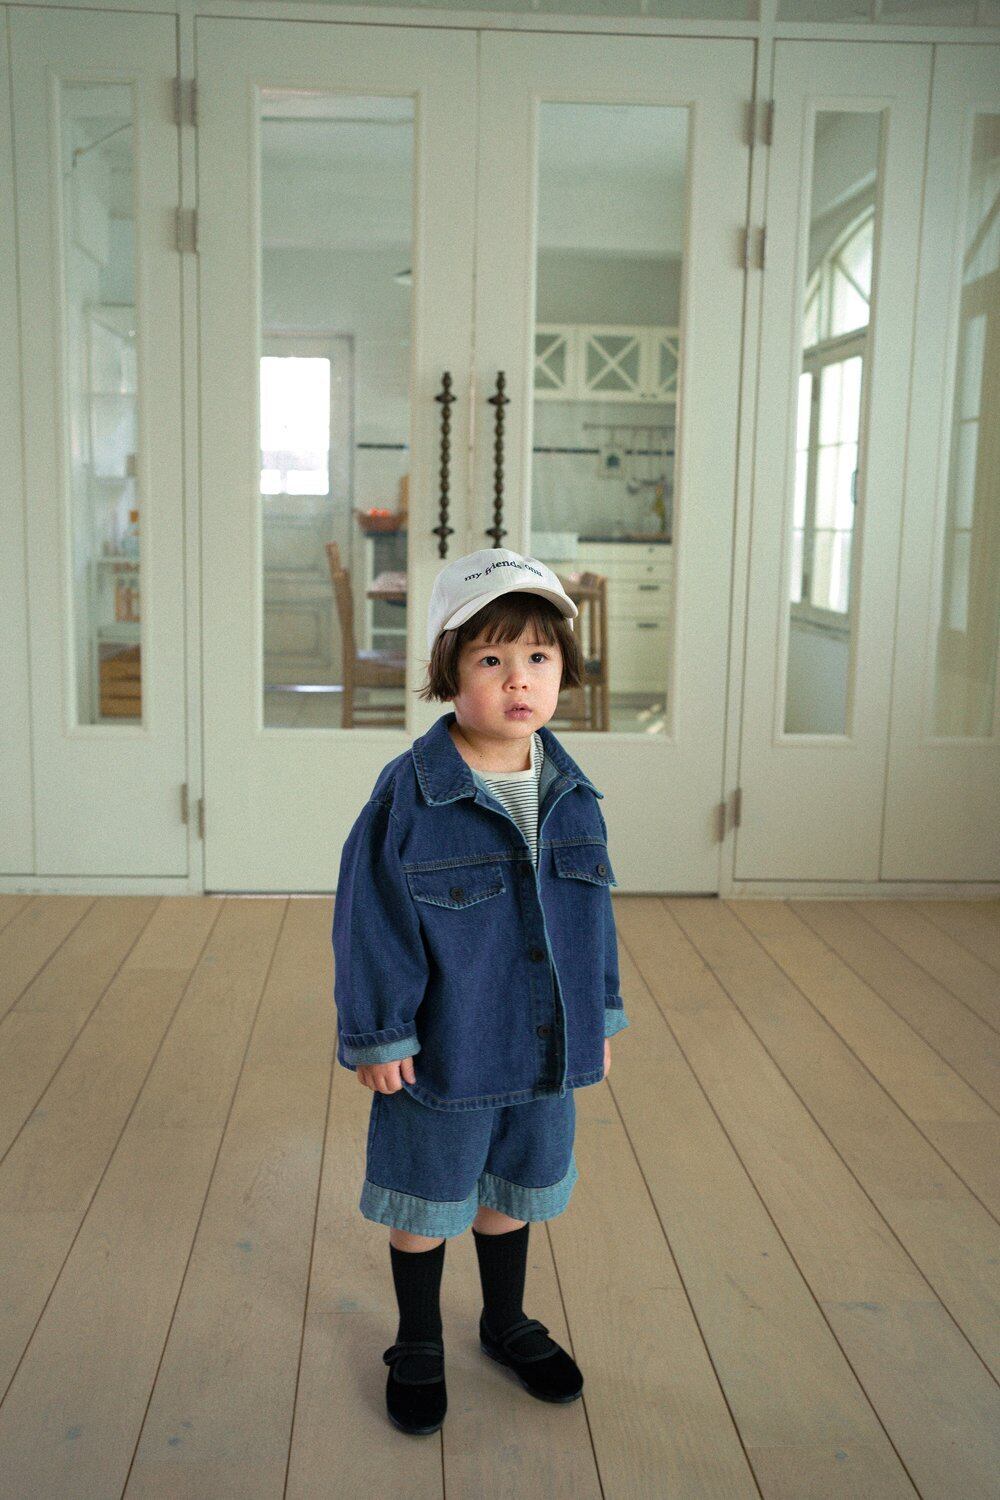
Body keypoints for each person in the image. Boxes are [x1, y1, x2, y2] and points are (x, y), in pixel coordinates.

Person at [331, 547, 628, 1436]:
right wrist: (381, 1034)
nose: (518, 679)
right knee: (427, 1197)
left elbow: (591, 917)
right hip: (447, 1051)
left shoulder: (572, 792)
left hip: (544, 1050)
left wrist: (599, 1016)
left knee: (513, 1188)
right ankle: (418, 1338)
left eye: (538, 656)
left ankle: (505, 1321)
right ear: (449, 670)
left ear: (563, 669)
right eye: (491, 658)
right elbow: (370, 922)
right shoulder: (411, 797)